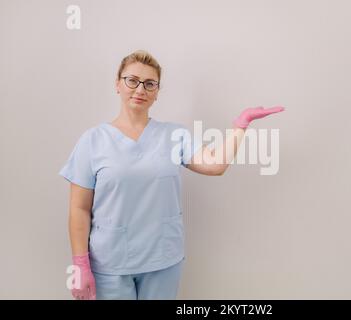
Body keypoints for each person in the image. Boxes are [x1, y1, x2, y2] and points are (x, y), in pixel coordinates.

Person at [59, 50, 284, 300]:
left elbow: (215, 165)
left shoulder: (174, 135)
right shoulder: (93, 141)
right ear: (117, 84)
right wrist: (80, 264)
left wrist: (240, 126)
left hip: (162, 260)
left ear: (157, 92)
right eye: (132, 80)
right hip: (110, 264)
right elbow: (79, 209)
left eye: (149, 84)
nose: (140, 89)